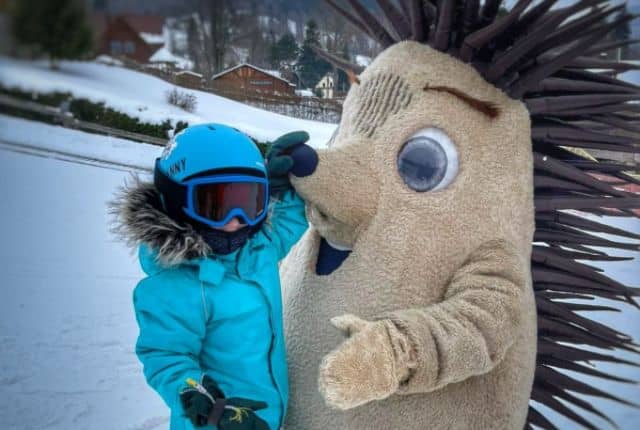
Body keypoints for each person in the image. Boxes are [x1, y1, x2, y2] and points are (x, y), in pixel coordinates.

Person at [112, 123, 313, 429]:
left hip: (266, 417)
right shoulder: (175, 283)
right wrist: (206, 405)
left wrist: (287, 185)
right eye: (217, 205)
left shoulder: (257, 249)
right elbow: (166, 356)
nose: (236, 221)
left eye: (250, 202)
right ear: (178, 202)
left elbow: (286, 221)